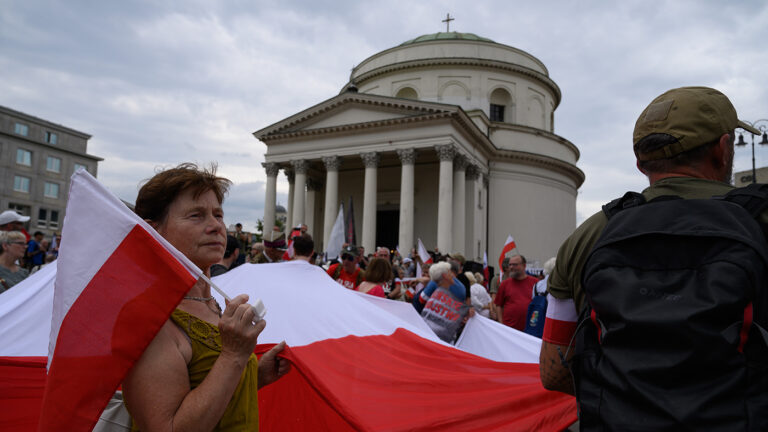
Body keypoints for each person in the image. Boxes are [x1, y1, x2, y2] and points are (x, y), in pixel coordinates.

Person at [539, 87, 768, 429]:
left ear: (641, 162)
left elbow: (554, 371)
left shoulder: (588, 237)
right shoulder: (759, 221)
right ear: (723, 150)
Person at [123, 163, 290, 431]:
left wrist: (253, 375)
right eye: (196, 216)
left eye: (218, 214)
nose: (216, 227)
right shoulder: (149, 319)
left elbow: (205, 388)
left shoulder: (212, 304)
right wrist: (234, 356)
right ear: (153, 231)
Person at [418, 261, 472, 343]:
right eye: (449, 272)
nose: (453, 275)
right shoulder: (461, 288)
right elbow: (461, 308)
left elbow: (422, 299)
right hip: (446, 335)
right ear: (445, 276)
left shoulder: (434, 286)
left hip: (430, 332)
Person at [493, 254, 538, 331]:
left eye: (515, 265)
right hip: (509, 330)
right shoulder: (504, 284)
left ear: (524, 266)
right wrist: (501, 324)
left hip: (530, 329)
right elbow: (498, 305)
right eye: (510, 265)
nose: (511, 267)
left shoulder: (536, 283)